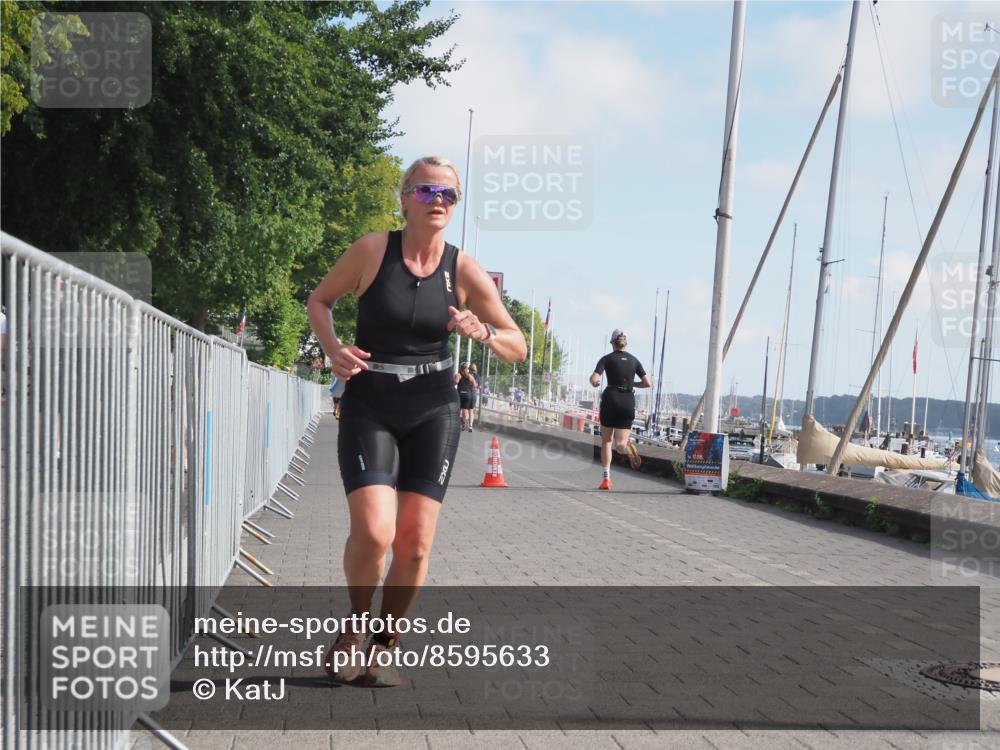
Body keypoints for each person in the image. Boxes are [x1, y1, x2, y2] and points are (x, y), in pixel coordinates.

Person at [307, 155, 526, 687]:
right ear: (405, 198)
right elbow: (320, 300)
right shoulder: (371, 251)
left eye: (448, 195)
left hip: (434, 406)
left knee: (415, 543)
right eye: (427, 192)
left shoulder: (464, 269)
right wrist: (333, 349)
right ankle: (355, 628)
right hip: (371, 402)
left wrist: (483, 335)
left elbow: (516, 345)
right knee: (376, 532)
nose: (438, 202)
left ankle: (385, 639)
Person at [589, 329, 652, 490]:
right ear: (625, 343)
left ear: (612, 343)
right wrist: (632, 384)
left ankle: (606, 479)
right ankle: (628, 449)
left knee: (607, 441)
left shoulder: (607, 359)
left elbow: (594, 378)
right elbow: (647, 383)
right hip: (627, 401)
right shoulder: (634, 360)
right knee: (620, 444)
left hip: (611, 399)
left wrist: (595, 383)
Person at [454, 362, 476, 432]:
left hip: (460, 394)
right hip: (468, 394)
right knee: (467, 410)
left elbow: (455, 382)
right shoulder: (470, 376)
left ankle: (462, 424)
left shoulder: (458, 375)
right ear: (467, 369)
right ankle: (468, 425)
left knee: (459, 410)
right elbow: (475, 385)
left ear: (460, 368)